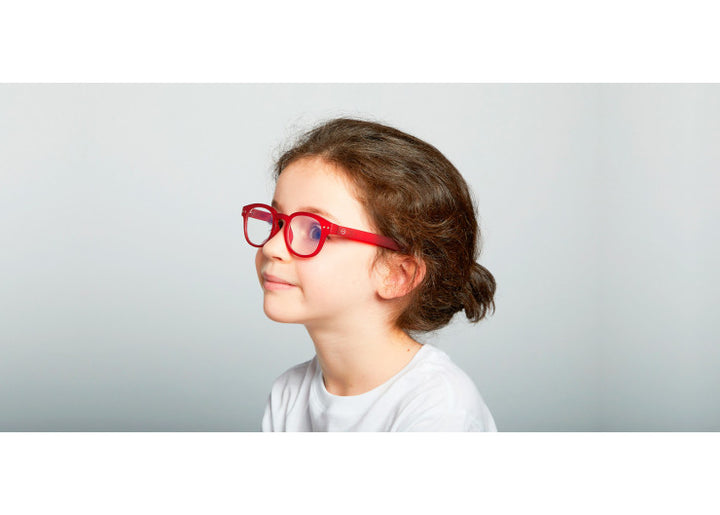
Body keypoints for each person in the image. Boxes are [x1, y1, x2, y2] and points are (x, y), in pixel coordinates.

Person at [243, 117, 497, 431]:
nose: (272, 247)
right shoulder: (289, 393)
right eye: (278, 222)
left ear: (397, 274)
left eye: (314, 230)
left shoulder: (439, 409)